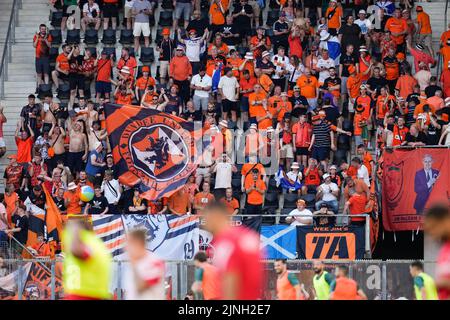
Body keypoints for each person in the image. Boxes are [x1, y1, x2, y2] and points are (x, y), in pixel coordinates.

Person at [202, 202, 264, 299]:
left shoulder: (225, 243)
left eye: (207, 218)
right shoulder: (246, 237)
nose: (206, 223)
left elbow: (231, 282)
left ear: (215, 216)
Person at [62, 219, 112, 300]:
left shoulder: (87, 242)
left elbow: (78, 251)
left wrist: (74, 231)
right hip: (90, 293)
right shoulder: (96, 243)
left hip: (83, 295)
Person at [123, 229, 165, 300]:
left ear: (138, 244)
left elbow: (141, 287)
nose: (126, 248)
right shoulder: (134, 264)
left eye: (129, 243)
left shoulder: (154, 262)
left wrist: (133, 265)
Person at [424, 204, 450, 300]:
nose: (432, 233)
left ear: (446, 220)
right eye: (429, 230)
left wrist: (442, 283)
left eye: (434, 227)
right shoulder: (444, 250)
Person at [33, 24, 52, 89]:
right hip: (38, 57)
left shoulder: (48, 36)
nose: (43, 30)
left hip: (46, 57)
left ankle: (46, 87)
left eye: (44, 29)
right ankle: (39, 87)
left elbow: (49, 46)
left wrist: (45, 39)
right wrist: (37, 38)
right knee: (39, 74)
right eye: (42, 29)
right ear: (40, 29)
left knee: (46, 73)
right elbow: (34, 45)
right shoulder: (36, 36)